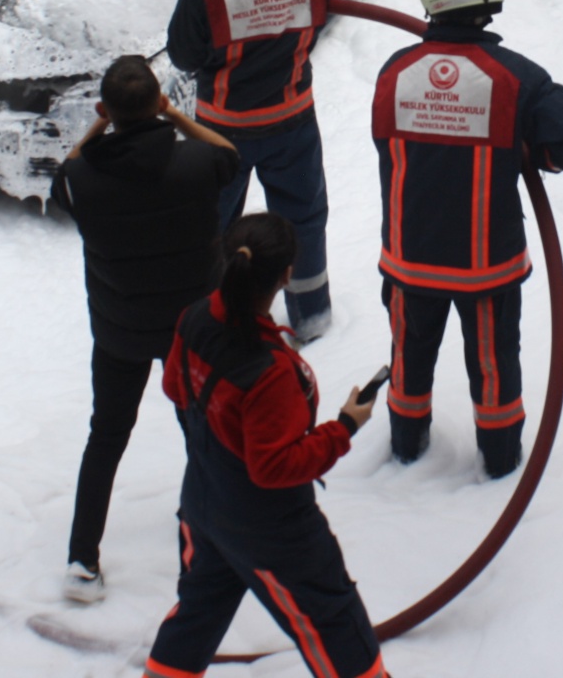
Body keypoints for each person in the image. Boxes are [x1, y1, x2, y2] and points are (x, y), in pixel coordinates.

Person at [370, 0, 563, 479]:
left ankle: (406, 448)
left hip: (409, 260)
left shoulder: (395, 71)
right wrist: (533, 153)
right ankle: (499, 462)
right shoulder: (516, 77)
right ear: (489, 4)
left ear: (431, 7)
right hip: (486, 268)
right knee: (495, 366)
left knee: (409, 358)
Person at [144, 213, 387, 678]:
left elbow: (176, 388)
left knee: (197, 614)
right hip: (274, 528)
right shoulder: (270, 371)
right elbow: (272, 467)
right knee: (334, 622)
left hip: (203, 502)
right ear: (286, 276)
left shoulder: (194, 318)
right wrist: (344, 428)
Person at [50, 53, 240, 604]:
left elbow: (66, 171)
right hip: (192, 332)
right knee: (200, 431)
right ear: (159, 102)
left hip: (120, 331)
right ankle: (213, 536)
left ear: (105, 109)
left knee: (107, 437)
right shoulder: (197, 165)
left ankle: (82, 559)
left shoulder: (82, 180)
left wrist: (99, 125)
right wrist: (175, 116)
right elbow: (230, 154)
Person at [168, 0, 339, 343]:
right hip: (293, 123)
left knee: (214, 227)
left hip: (222, 131)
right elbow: (324, 13)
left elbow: (184, 55)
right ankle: (311, 317)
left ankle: (215, 320)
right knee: (303, 219)